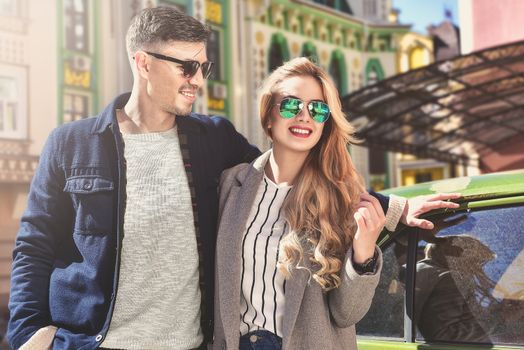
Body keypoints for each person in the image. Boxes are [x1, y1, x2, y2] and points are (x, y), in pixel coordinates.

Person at [7, 7, 260, 350]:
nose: (198, 80)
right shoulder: (70, 143)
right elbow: (35, 245)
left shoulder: (217, 139)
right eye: (186, 67)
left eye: (204, 67)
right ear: (143, 63)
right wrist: (27, 334)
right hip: (89, 344)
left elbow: (280, 181)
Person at [212, 57, 461, 350]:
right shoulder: (232, 184)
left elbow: (347, 315)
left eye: (317, 109)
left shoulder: (340, 200)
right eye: (292, 105)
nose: (305, 116)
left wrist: (365, 251)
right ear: (269, 116)